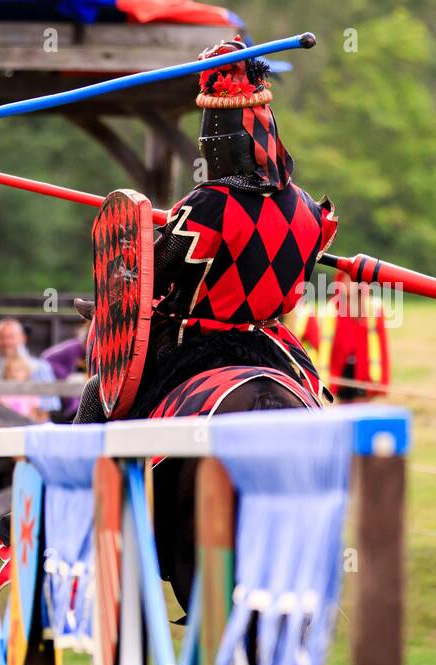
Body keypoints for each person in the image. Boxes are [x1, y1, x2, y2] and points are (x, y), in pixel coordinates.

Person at [73, 36, 337, 426]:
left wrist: (112, 300)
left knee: (98, 394)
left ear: (215, 143)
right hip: (270, 347)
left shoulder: (209, 204)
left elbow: (152, 280)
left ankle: (81, 487)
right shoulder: (311, 210)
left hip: (193, 344)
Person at [296, 270, 390, 403]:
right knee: (345, 411)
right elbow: (324, 341)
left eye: (354, 281)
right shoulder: (332, 308)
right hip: (341, 370)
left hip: (365, 371)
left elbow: (381, 347)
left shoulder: (373, 308)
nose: (349, 285)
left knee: (361, 410)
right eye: (346, 280)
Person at [0, 318, 62, 416]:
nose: (6, 342)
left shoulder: (40, 368)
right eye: (1, 337)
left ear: (23, 338)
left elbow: (51, 405)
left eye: (11, 337)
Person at [41, 321, 88, 418]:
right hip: (53, 365)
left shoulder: (82, 350)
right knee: (70, 383)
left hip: (62, 369)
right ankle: (73, 408)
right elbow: (47, 358)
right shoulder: (74, 349)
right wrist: (67, 375)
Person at [0, 352, 49, 423]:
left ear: (26, 373)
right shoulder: (1, 392)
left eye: (18, 370)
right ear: (5, 373)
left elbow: (35, 411)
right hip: (6, 425)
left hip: (26, 424)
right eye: (10, 370)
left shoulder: (30, 392)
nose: (13, 374)